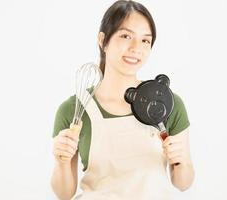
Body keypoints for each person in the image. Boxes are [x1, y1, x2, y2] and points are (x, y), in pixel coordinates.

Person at [51, 1, 195, 199]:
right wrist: (61, 161)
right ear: (103, 40)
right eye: (126, 36)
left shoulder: (167, 104)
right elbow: (64, 193)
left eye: (145, 40)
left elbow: (183, 183)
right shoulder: (74, 110)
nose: (136, 48)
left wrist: (181, 162)